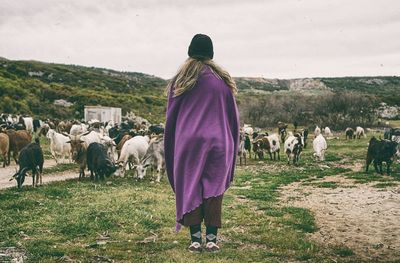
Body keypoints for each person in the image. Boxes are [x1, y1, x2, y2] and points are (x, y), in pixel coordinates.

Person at [164, 34, 240, 253]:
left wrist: (174, 144)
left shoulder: (181, 80)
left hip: (189, 144)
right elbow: (232, 117)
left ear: (190, 52)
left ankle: (195, 240)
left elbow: (172, 117)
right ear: (211, 54)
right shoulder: (222, 81)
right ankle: (213, 240)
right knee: (214, 188)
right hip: (219, 142)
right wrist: (231, 142)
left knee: (190, 186)